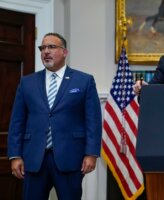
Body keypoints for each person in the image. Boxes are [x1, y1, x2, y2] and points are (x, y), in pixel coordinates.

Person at [7, 32, 102, 200]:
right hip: (34, 158)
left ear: (64, 52)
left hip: (70, 157)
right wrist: (15, 155)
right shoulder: (27, 82)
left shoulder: (84, 81)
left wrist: (91, 153)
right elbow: (17, 121)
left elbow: (93, 121)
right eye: (42, 48)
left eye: (51, 47)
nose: (46, 51)